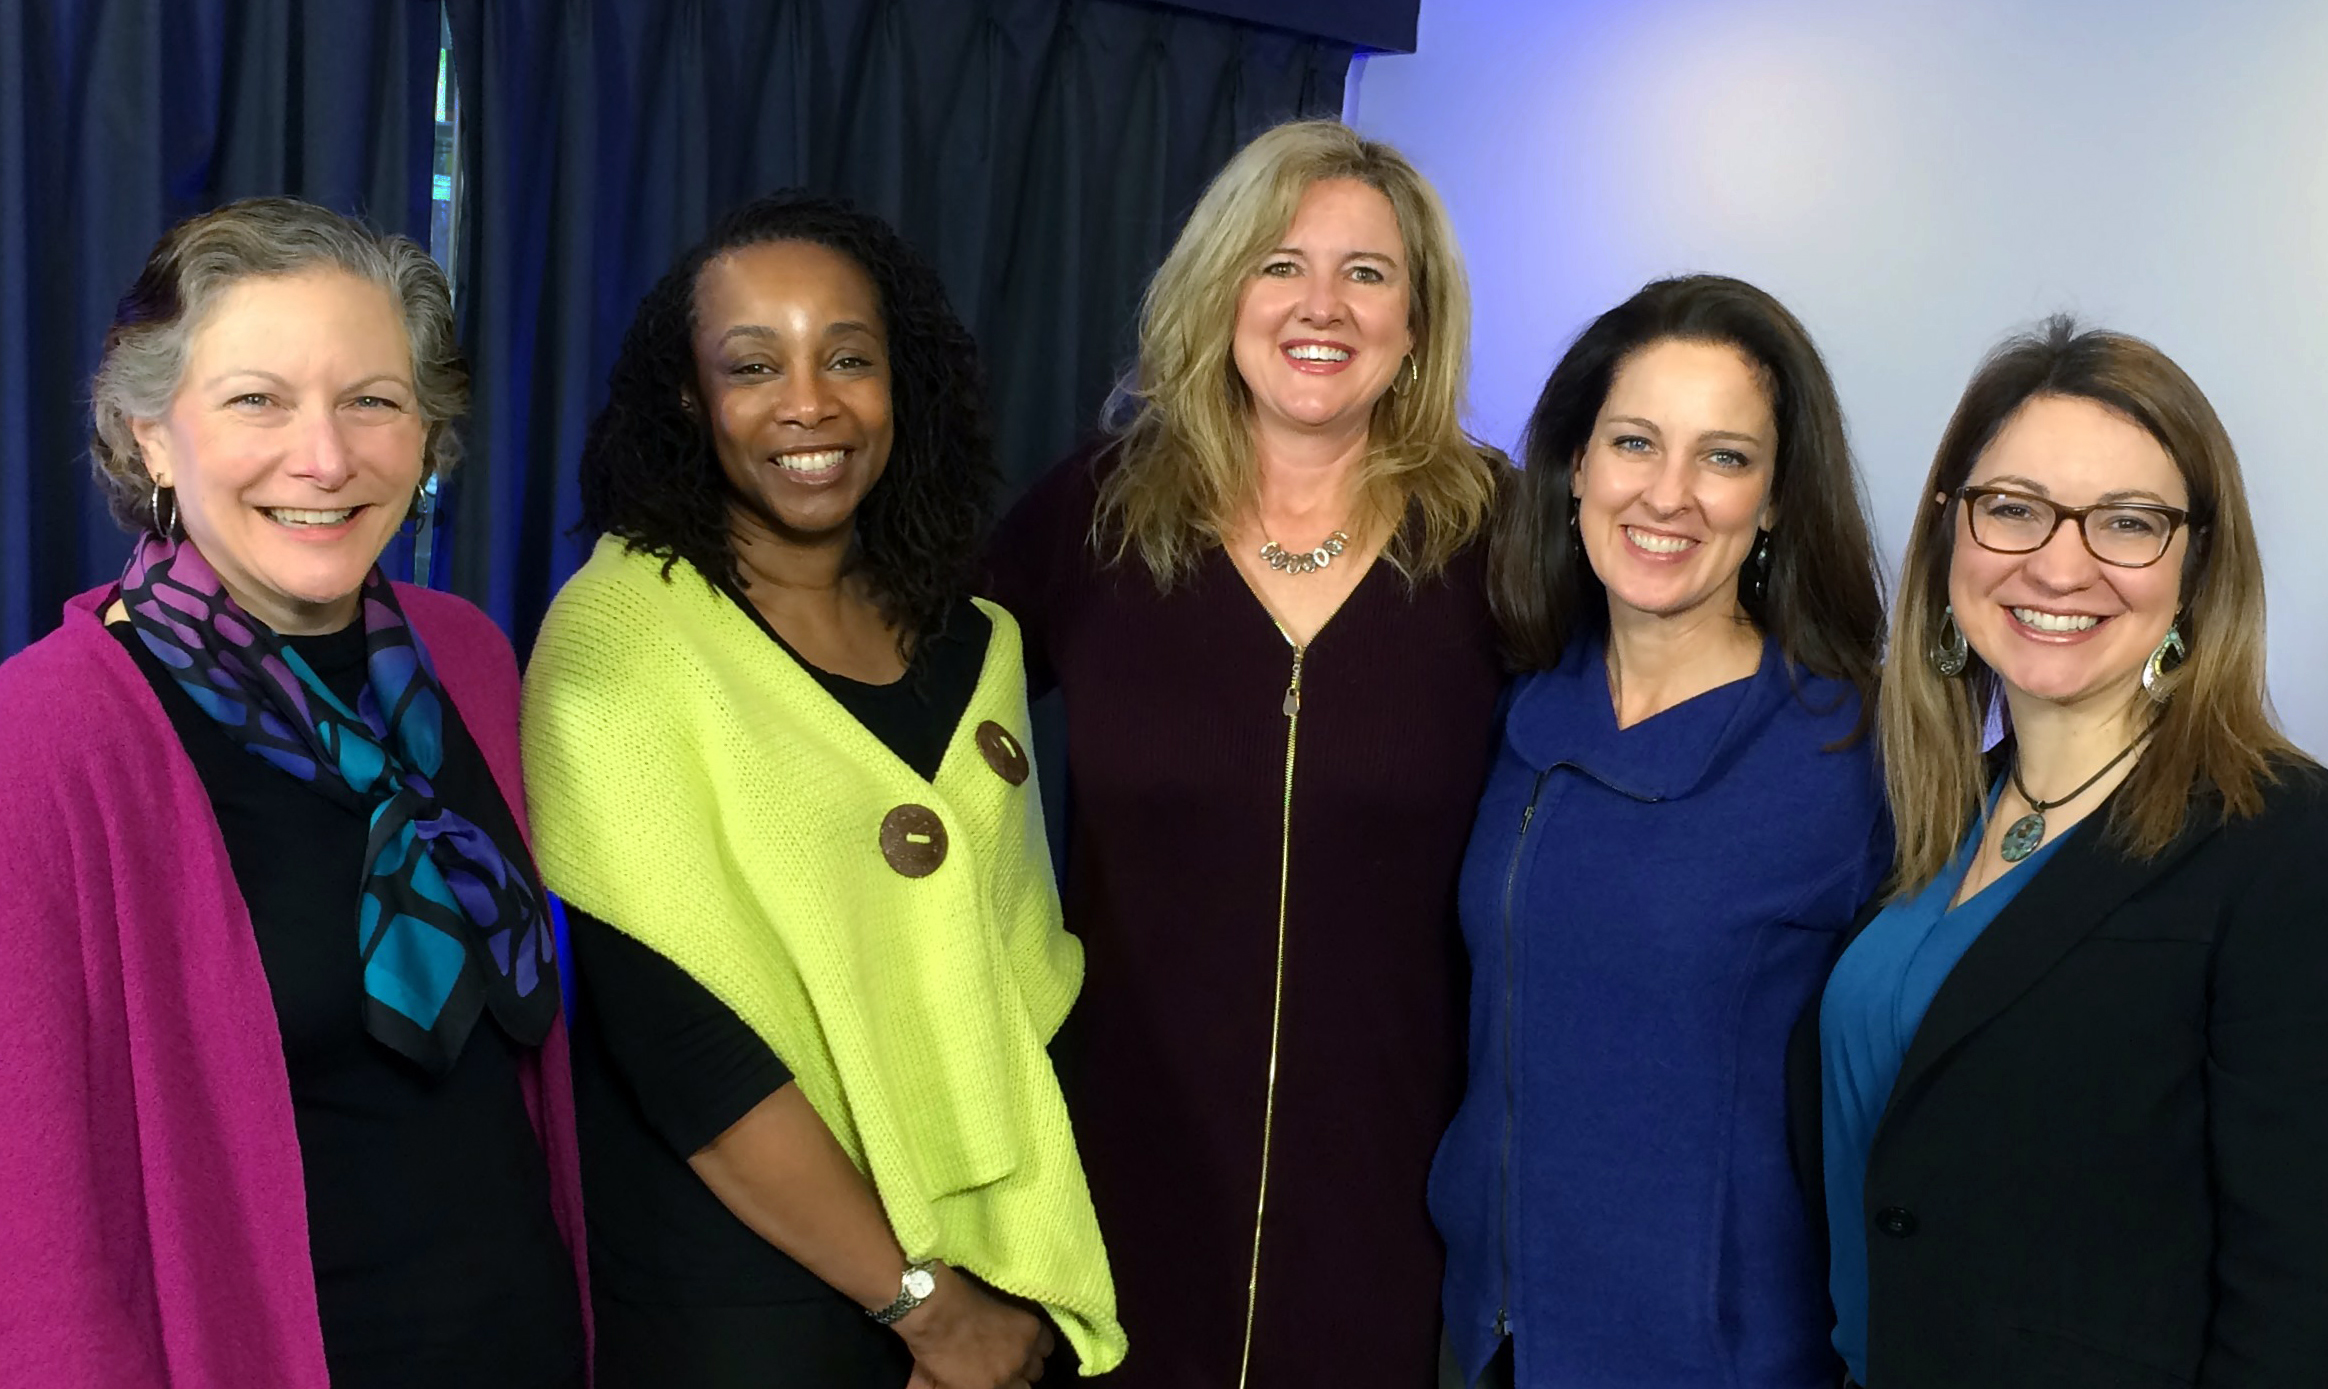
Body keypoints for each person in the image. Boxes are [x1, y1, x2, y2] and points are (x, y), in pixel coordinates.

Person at [520, 191, 1123, 1389]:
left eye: (849, 357)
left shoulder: (976, 643)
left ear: (902, 384)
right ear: (692, 402)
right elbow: (682, 1044)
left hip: (995, 1285)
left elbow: (1018, 980)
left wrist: (1000, 1291)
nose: (810, 402)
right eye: (755, 366)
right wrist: (927, 1313)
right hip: (751, 1303)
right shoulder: (622, 641)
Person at [0, 198, 588, 1387]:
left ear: (427, 433)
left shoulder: (465, 657)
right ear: (149, 436)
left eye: (372, 400)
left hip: (523, 1343)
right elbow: (39, 1231)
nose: (325, 458)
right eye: (256, 400)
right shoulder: (46, 736)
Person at [982, 118, 1509, 1387]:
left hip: (1390, 1204)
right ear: (1221, 293)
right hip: (1115, 1175)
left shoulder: (1507, 540)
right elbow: (909, 718)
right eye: (1280, 263)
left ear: (1418, 324)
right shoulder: (1096, 514)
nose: (1319, 304)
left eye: (1367, 273)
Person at [1792, 318, 2328, 1387]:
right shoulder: (1930, 814)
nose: (2059, 562)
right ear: (1952, 530)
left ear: (2197, 566)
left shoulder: (2285, 845)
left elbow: (2299, 1293)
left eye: (2127, 523)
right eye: (2014, 509)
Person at [1429, 276, 1889, 1389]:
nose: (1669, 495)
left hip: (1720, 1357)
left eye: (1725, 458)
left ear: (1777, 498)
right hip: (1487, 1341)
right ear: (1577, 465)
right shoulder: (1514, 712)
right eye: (1635, 443)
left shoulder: (1856, 754)